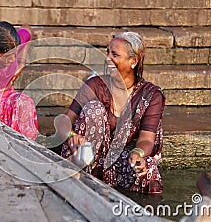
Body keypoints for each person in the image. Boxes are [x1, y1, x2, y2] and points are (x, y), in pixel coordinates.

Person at [56, 31, 165, 194]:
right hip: (87, 159)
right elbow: (64, 121)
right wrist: (71, 136)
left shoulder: (150, 95)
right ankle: (77, 179)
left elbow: (147, 139)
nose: (107, 58)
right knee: (94, 110)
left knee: (147, 167)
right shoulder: (95, 85)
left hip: (121, 162)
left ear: (133, 61)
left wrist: (138, 153)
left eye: (114, 54)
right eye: (107, 52)